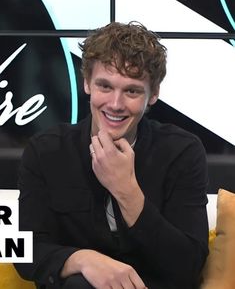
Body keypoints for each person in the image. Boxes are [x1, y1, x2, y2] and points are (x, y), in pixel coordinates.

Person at [14, 21, 209, 289]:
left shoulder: (182, 152)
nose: (115, 105)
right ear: (87, 84)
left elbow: (188, 266)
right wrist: (83, 260)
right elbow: (23, 251)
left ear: (153, 95)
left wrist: (126, 190)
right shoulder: (45, 151)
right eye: (105, 86)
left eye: (131, 91)